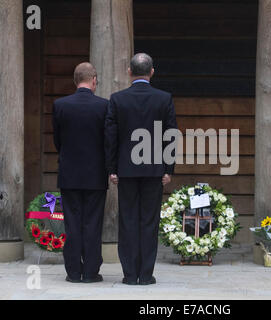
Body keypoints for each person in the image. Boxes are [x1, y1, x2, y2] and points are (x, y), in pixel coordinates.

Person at [105, 53, 178, 285]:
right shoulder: (164, 98)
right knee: (148, 221)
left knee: (127, 221)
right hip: (154, 170)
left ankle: (129, 275)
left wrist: (112, 168)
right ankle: (145, 275)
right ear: (152, 72)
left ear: (129, 72)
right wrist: (168, 168)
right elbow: (170, 136)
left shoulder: (117, 99)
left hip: (126, 170)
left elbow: (111, 137)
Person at [52, 62, 108, 283]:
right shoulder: (104, 106)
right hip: (95, 174)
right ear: (93, 79)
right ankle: (91, 271)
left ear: (76, 81)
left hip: (70, 173)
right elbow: (108, 141)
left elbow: (58, 141)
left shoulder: (60, 105)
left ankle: (74, 272)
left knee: (72, 223)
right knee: (93, 222)